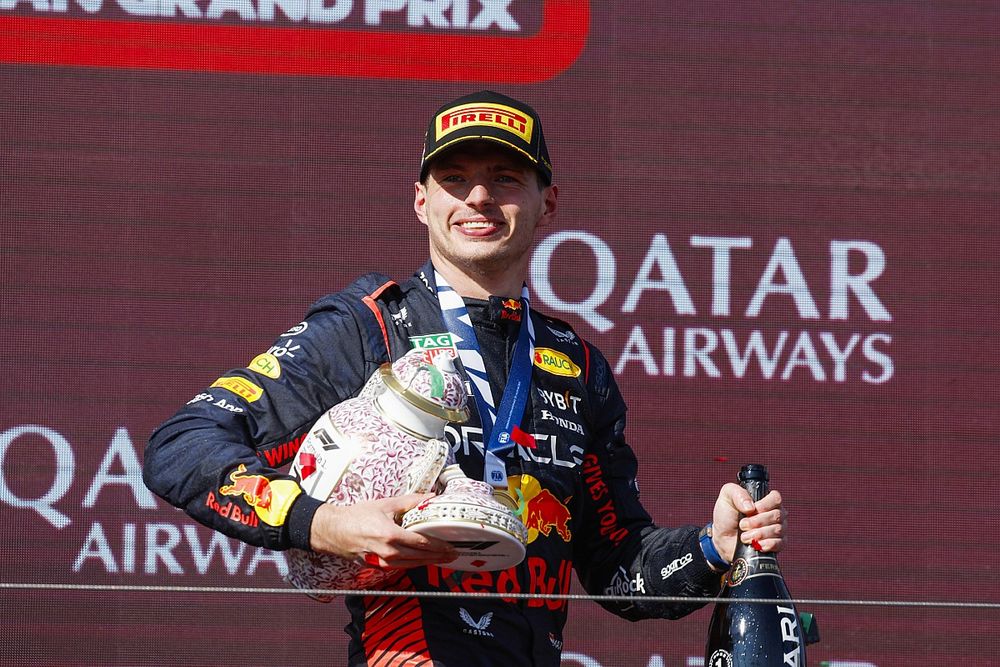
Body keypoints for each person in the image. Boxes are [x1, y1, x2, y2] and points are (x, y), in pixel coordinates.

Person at [144, 90, 787, 666]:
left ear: (547, 203)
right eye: (454, 179)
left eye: (505, 178)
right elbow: (181, 447)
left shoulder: (578, 365)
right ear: (422, 202)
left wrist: (711, 546)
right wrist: (324, 524)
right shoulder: (367, 326)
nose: (478, 197)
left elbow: (620, 570)